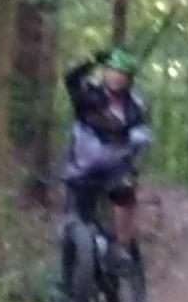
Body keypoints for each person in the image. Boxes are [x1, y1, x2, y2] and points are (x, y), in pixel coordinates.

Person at [62, 48, 151, 254]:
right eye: (112, 71)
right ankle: (68, 277)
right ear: (105, 72)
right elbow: (71, 79)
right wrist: (92, 59)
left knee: (125, 193)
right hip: (82, 166)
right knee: (73, 223)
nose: (116, 77)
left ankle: (122, 247)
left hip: (116, 167)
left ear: (129, 79)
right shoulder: (88, 94)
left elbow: (143, 132)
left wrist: (137, 143)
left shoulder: (134, 105)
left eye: (122, 74)